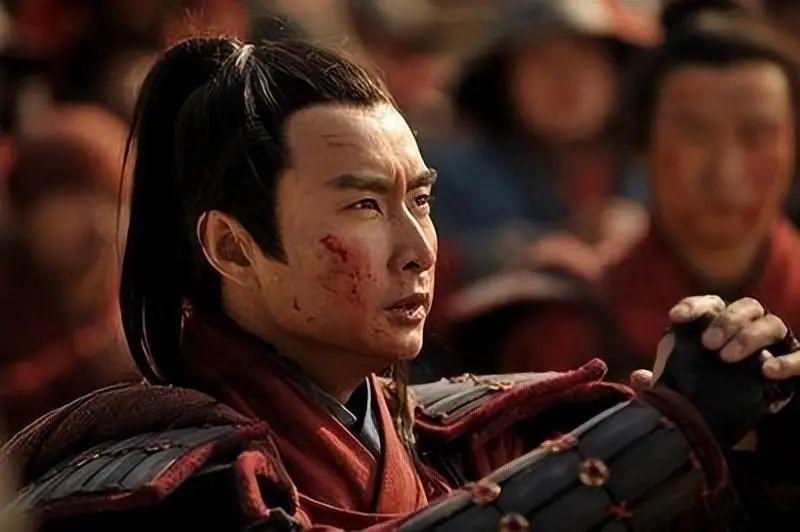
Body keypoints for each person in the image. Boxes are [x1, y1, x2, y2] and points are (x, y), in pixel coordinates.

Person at [2, 36, 800, 532]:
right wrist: (666, 433)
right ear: (233, 248)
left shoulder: (467, 442)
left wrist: (757, 452)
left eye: (419, 200)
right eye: (363, 206)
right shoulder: (156, 492)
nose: (418, 249)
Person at [0, 105, 138, 433]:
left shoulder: (124, 293)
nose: (97, 219)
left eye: (110, 199)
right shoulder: (10, 297)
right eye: (75, 196)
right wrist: (86, 362)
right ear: (30, 208)